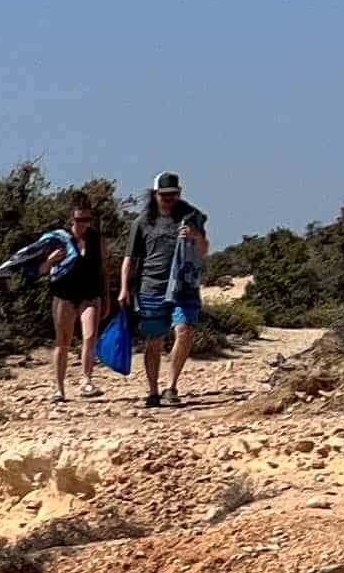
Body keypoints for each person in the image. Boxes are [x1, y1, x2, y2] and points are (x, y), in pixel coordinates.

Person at [22, 194, 115, 406]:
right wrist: (51, 259)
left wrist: (107, 296)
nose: (83, 224)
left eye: (87, 220)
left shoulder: (96, 239)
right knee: (62, 342)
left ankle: (87, 381)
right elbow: (41, 270)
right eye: (79, 220)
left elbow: (103, 269)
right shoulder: (58, 240)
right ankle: (59, 388)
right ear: (71, 220)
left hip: (90, 294)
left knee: (90, 336)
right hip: (64, 294)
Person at [127, 173, 209, 406]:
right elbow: (130, 259)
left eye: (173, 194)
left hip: (184, 285)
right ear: (155, 195)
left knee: (184, 331)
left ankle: (171, 386)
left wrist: (195, 236)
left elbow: (202, 252)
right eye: (165, 195)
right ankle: (152, 391)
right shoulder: (142, 222)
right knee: (154, 339)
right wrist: (125, 288)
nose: (169, 199)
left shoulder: (190, 217)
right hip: (151, 287)